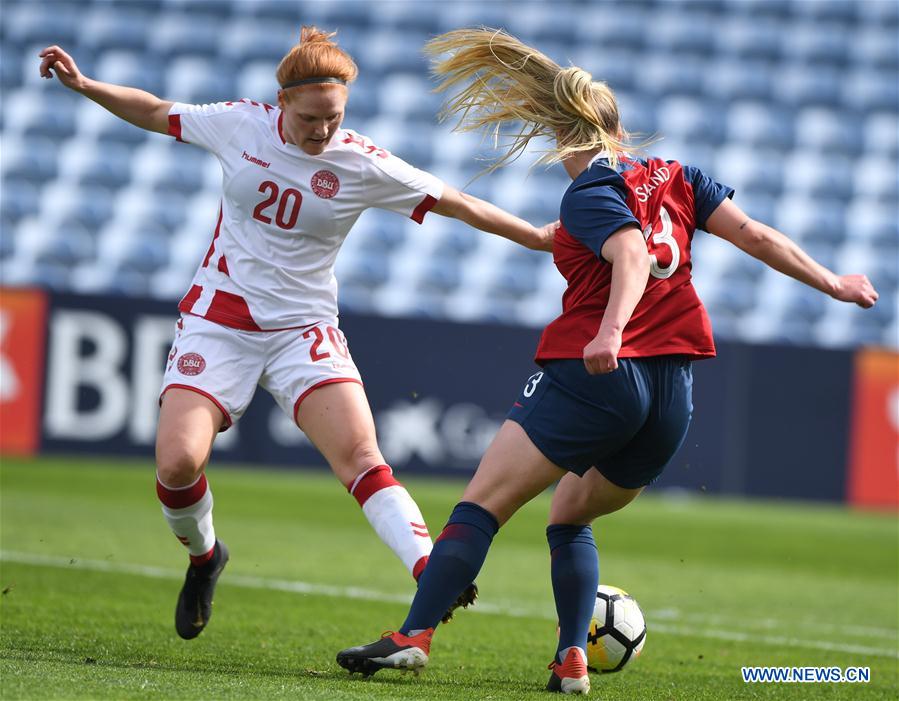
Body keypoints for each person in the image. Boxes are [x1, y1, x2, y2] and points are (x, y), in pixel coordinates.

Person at [336, 28, 880, 695]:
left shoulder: (590, 192)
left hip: (598, 372)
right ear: (618, 132)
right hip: (671, 394)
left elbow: (625, 254)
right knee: (568, 516)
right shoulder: (677, 178)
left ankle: (412, 636)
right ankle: (571, 658)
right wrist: (834, 283)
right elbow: (756, 235)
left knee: (481, 502)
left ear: (564, 137)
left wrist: (610, 332)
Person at [37, 27, 556, 641]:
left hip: (303, 328)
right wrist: (85, 84)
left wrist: (534, 236)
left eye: (334, 118)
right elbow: (155, 110)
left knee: (363, 458)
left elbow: (455, 202)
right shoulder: (240, 126)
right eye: (311, 118)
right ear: (282, 103)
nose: (323, 131)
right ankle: (205, 558)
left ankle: (431, 572)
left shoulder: (360, 161)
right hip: (219, 320)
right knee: (178, 463)